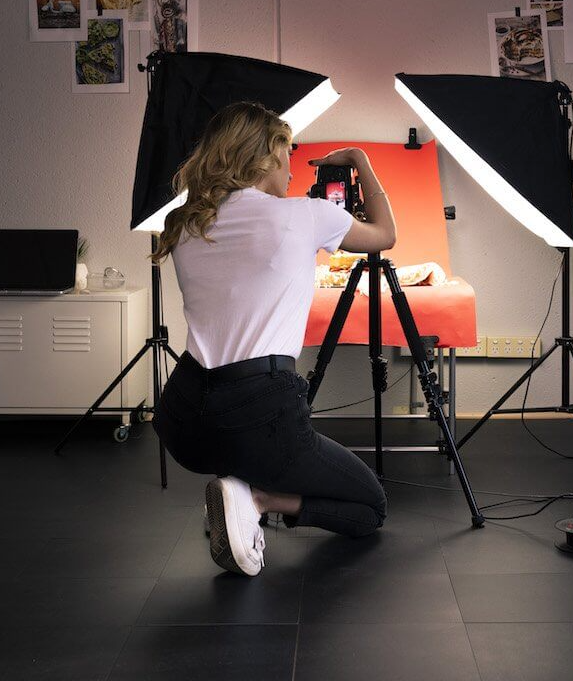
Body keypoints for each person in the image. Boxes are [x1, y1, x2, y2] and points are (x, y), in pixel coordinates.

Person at [149, 100, 397, 577]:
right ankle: (259, 498)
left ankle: (239, 488)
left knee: (242, 441)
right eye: (287, 153)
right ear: (265, 158)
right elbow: (385, 234)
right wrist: (359, 161)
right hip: (259, 413)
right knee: (371, 507)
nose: (291, 167)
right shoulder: (306, 215)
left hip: (184, 420)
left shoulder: (184, 225)